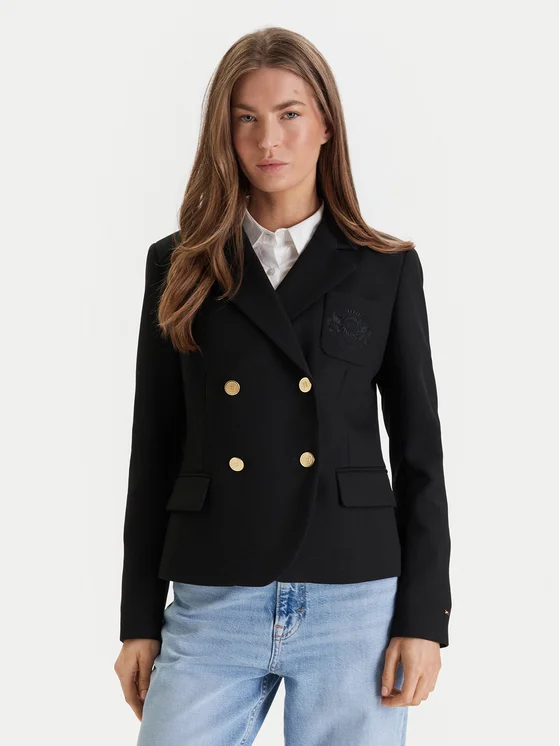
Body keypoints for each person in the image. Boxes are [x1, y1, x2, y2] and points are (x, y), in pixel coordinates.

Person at [114, 26, 452, 746]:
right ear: (224, 132)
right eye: (247, 117)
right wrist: (137, 619)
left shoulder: (384, 267)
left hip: (354, 596)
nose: (268, 139)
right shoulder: (179, 265)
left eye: (289, 113)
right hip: (214, 591)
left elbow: (421, 453)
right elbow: (154, 449)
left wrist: (425, 618)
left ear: (326, 124)